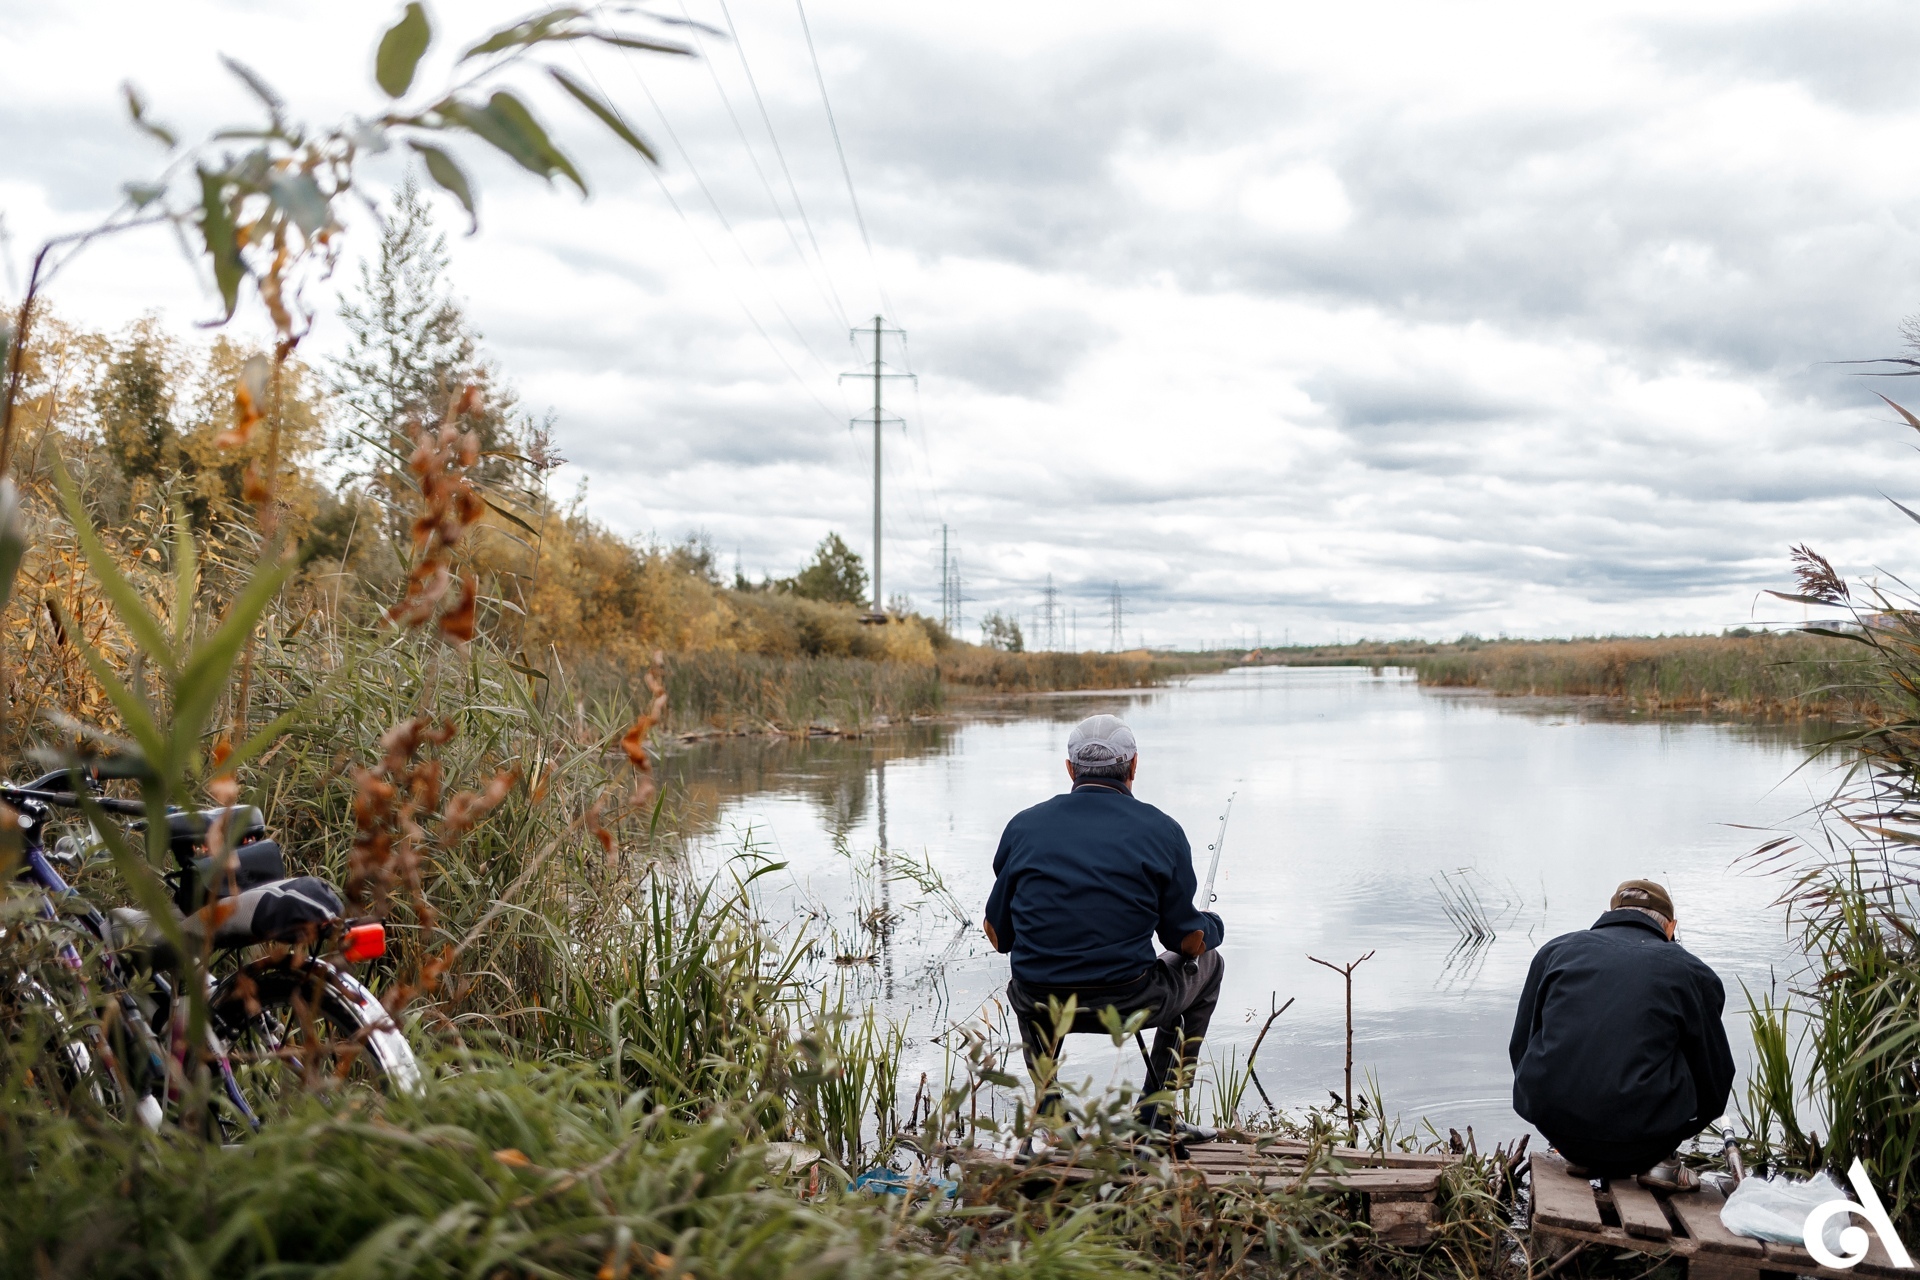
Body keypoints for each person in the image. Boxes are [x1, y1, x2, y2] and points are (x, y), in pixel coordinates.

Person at [983, 713, 1225, 1138]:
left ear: (1070, 769)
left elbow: (999, 936)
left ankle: (1054, 1121)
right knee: (1210, 966)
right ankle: (1156, 1116)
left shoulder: (1024, 826)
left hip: (1044, 1003)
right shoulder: (1162, 830)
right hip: (1129, 1001)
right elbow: (1185, 943)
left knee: (1024, 983)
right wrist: (1212, 928)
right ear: (1133, 767)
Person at [1509, 879, 1736, 1188]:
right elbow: (1715, 1076)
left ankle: (1582, 1155)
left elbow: (1520, 1047)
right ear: (1671, 927)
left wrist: (1551, 1113)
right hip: (1645, 1141)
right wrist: (1679, 1130)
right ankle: (1662, 1161)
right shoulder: (1693, 973)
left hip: (1559, 1129)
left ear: (1608, 913)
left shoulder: (1555, 952)